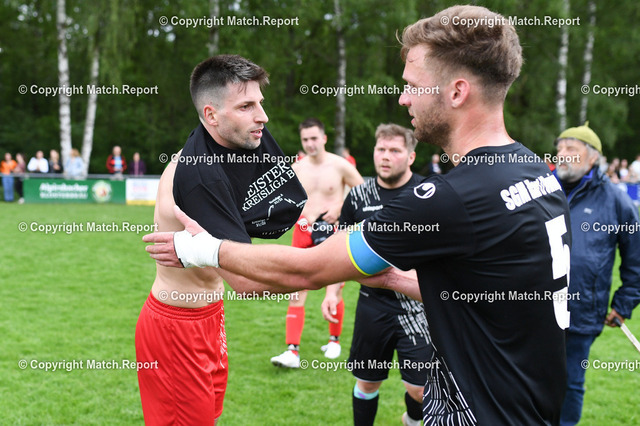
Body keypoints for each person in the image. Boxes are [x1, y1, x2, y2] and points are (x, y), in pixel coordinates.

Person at [145, 6, 572, 424]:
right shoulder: (535, 172)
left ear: (457, 92)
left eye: (412, 86)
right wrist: (392, 279)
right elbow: (486, 294)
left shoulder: (449, 199)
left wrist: (202, 250)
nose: (403, 98)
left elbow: (308, 270)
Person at [135, 54, 307, 425]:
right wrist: (339, 266)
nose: (263, 116)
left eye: (260, 103)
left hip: (210, 315)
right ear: (211, 115)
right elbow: (246, 281)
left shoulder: (230, 148)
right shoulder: (197, 177)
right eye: (246, 106)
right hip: (177, 327)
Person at [338, 123, 432, 426]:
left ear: (411, 156)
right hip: (372, 304)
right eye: (381, 149)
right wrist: (332, 293)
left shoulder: (428, 194)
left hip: (417, 306)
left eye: (395, 150)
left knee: (420, 390)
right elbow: (340, 249)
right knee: (367, 383)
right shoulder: (358, 196)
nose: (386, 156)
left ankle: (412, 420)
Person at [553, 122, 640, 426]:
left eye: (571, 149)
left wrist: (624, 302)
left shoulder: (615, 200)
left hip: (583, 310)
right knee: (528, 379)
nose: (562, 154)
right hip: (533, 307)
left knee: (571, 382)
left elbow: (636, 257)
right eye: (559, 148)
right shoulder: (540, 191)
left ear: (593, 158)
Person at [269, 118, 363, 368]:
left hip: (331, 232)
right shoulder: (296, 168)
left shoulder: (340, 165)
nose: (310, 144)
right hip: (303, 232)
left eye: (314, 138)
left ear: (324, 138)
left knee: (335, 288)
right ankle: (292, 351)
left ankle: (334, 341)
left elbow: (364, 193)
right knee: (295, 288)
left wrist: (340, 206)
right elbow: (280, 201)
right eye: (305, 140)